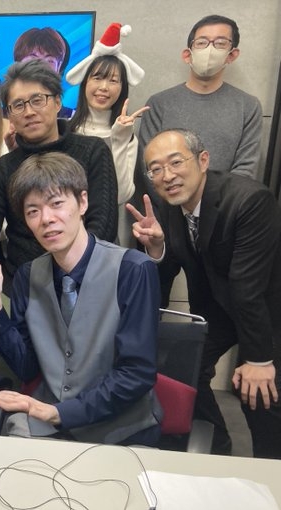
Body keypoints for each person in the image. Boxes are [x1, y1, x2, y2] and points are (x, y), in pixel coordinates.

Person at [0, 152, 161, 445]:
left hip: (120, 429)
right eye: (33, 211)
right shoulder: (28, 276)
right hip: (49, 425)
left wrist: (59, 412)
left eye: (56, 204)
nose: (47, 219)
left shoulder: (132, 270)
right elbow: (27, 366)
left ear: (83, 202)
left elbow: (136, 374)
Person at [128, 128, 281, 459]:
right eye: (156, 169)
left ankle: (270, 468)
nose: (167, 176)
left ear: (203, 160)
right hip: (220, 307)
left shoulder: (250, 200)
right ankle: (216, 447)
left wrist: (258, 359)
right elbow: (167, 271)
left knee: (261, 395)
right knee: (180, 368)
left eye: (176, 162)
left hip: (268, 311)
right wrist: (156, 249)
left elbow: (247, 286)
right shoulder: (170, 205)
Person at [0, 59, 118, 293]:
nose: (29, 112)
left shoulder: (93, 151)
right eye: (18, 105)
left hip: (89, 281)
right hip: (26, 288)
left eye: (38, 100)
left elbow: (103, 227)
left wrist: (69, 276)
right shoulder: (3, 168)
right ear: (9, 115)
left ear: (57, 101)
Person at [138, 15, 262, 178]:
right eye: (202, 43)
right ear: (187, 54)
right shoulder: (158, 104)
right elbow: (148, 166)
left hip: (226, 195)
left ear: (232, 55)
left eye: (220, 43)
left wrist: (214, 195)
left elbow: (246, 169)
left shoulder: (248, 106)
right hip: (166, 194)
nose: (209, 50)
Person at [66, 23, 148, 245]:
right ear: (84, 82)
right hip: (61, 235)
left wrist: (119, 139)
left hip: (105, 241)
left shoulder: (126, 135)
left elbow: (120, 195)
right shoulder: (66, 130)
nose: (104, 87)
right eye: (97, 78)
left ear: (122, 88)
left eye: (113, 80)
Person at [13, 27, 74, 119]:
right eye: (33, 59)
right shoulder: (1, 119)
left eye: (49, 61)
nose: (41, 67)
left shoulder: (73, 120)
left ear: (59, 68)